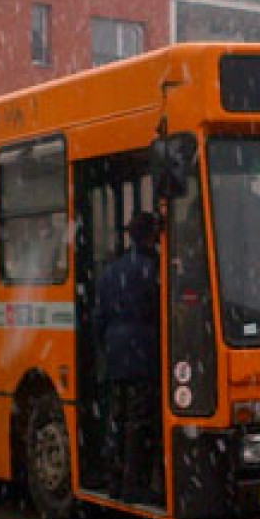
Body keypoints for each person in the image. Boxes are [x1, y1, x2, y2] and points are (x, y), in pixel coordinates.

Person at [98, 210, 162, 503]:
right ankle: (135, 484)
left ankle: (113, 479)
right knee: (140, 422)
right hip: (144, 353)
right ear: (151, 236)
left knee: (118, 417)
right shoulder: (155, 269)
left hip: (116, 352)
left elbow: (99, 316)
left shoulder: (112, 270)